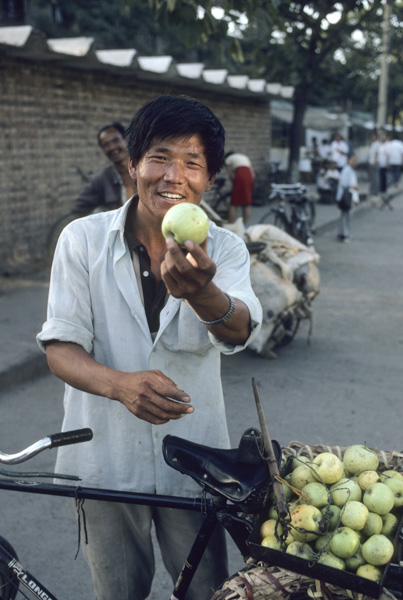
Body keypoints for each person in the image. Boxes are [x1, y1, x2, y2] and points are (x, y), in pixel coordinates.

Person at [36, 95, 262, 600]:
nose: (173, 176)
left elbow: (240, 328)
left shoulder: (223, 249)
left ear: (210, 178)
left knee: (206, 591)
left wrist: (203, 293)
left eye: (192, 163)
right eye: (159, 157)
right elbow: (59, 348)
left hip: (196, 467)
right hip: (105, 464)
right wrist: (118, 386)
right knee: (117, 592)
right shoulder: (82, 240)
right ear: (133, 164)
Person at [74, 122, 136, 214]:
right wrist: (102, 214)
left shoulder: (144, 168)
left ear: (125, 140)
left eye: (115, 141)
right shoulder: (103, 179)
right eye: (106, 144)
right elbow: (80, 205)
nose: (112, 147)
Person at [224, 151, 254, 224]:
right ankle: (245, 224)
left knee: (234, 203)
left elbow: (230, 174)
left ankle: (230, 224)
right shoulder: (244, 157)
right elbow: (252, 173)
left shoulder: (228, 159)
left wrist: (233, 183)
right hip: (249, 176)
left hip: (240, 175)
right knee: (246, 203)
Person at [336, 154, 359, 242]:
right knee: (347, 217)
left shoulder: (350, 170)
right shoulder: (347, 170)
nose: (355, 163)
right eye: (353, 160)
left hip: (347, 196)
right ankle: (345, 234)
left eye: (356, 161)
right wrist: (354, 187)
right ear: (349, 161)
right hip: (346, 197)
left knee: (345, 216)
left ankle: (342, 233)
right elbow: (345, 184)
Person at [368, 131, 380, 197]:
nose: (372, 137)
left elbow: (377, 154)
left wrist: (374, 162)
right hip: (371, 162)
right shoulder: (373, 144)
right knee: (372, 178)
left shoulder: (377, 144)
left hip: (374, 163)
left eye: (373, 136)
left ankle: (375, 191)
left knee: (375, 178)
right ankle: (372, 191)